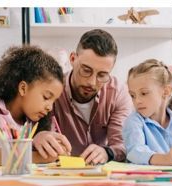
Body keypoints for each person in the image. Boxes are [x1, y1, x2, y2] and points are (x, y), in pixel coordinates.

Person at [49, 29, 133, 164]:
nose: (92, 82)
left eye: (102, 75)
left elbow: (122, 145)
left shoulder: (118, 92)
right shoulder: (52, 90)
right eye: (86, 70)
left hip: (101, 174)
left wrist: (108, 152)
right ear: (72, 59)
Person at [123, 59, 172, 166]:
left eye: (144, 93)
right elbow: (135, 152)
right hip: (145, 180)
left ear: (166, 92)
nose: (137, 100)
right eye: (132, 95)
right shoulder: (134, 121)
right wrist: (166, 159)